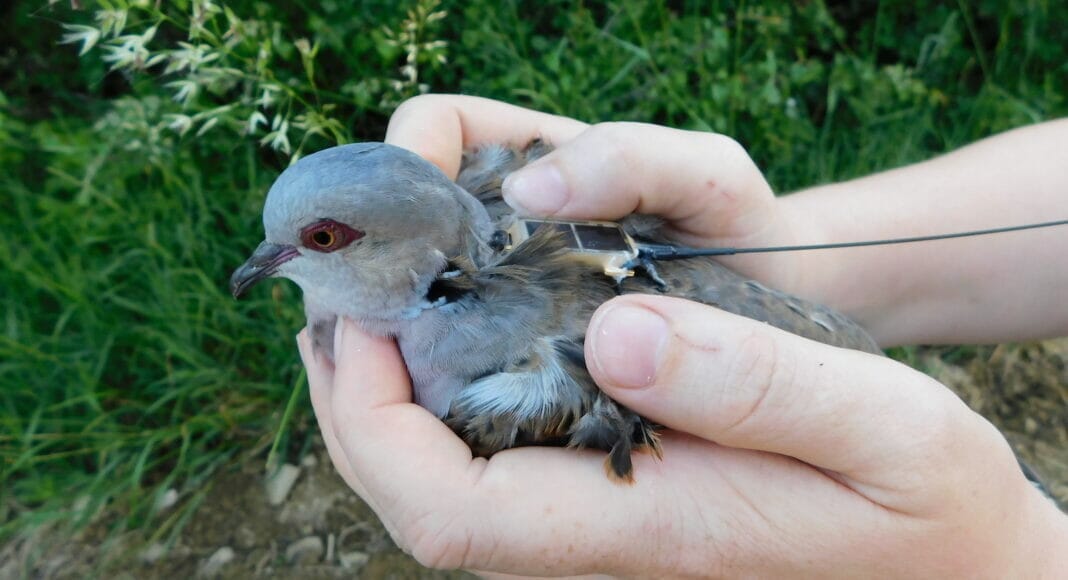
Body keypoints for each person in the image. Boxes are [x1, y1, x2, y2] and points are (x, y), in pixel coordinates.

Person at [298, 95, 1068, 577]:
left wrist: (1012, 556)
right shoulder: (500, 194)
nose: (267, 266)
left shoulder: (508, 393)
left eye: (322, 240)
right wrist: (796, 251)